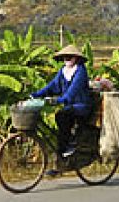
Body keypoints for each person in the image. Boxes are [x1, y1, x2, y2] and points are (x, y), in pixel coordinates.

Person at [31, 44, 91, 175]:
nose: (67, 59)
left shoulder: (80, 71)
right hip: (69, 106)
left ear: (76, 58)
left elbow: (72, 91)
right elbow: (52, 86)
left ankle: (71, 145)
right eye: (65, 57)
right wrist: (36, 94)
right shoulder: (63, 71)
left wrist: (59, 100)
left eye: (70, 57)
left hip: (81, 106)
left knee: (61, 116)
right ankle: (60, 164)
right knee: (61, 132)